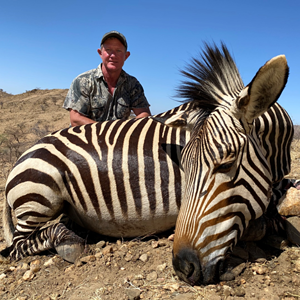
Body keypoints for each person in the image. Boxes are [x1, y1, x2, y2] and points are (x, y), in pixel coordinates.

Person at [63, 31, 151, 127]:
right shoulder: (83, 81)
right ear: (100, 53)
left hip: (118, 139)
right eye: (108, 50)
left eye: (118, 51)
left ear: (126, 56)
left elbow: (144, 114)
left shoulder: (133, 84)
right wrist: (109, 133)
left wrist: (124, 131)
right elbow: (76, 119)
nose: (113, 55)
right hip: (85, 139)